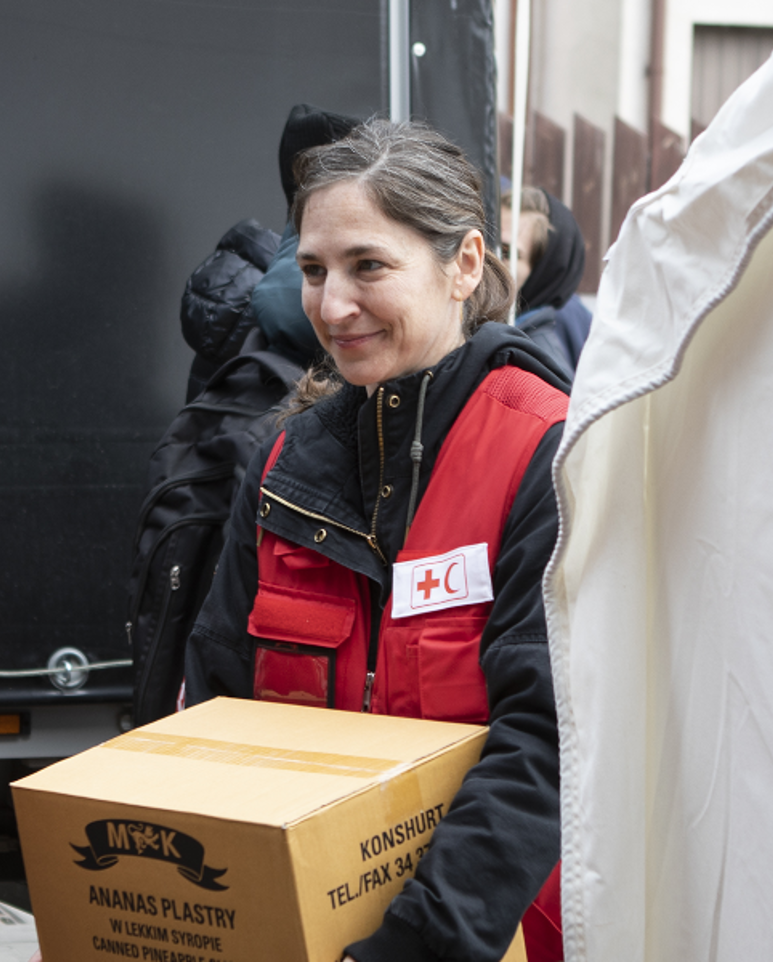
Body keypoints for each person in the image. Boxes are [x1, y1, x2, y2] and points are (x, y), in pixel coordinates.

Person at [183, 120, 564, 962]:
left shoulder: (545, 455)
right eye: (314, 271)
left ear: (464, 265)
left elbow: (543, 746)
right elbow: (215, 715)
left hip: (489, 939)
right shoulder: (282, 461)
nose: (332, 304)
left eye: (369, 266)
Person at [502, 185, 593, 370]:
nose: (487, 256)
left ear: (541, 274)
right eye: (487, 240)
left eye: (508, 253)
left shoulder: (538, 363)